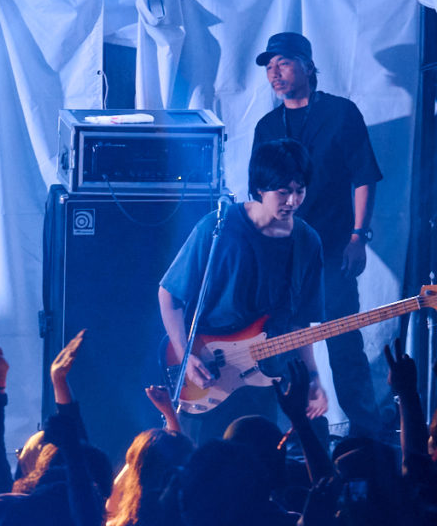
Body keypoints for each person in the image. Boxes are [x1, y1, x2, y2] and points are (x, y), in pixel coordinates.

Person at [249, 31, 388, 439]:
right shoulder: (267, 125)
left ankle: (366, 436)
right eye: (269, 66)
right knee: (285, 347)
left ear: (308, 66)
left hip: (331, 251)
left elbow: (364, 176)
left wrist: (358, 236)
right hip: (281, 258)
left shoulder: (341, 113)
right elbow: (256, 193)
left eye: (283, 63)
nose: (274, 73)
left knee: (343, 343)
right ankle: (303, 434)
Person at [158, 137, 326, 444]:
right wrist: (185, 356)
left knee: (264, 460)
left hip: (269, 377)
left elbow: (300, 324)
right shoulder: (217, 227)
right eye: (283, 191)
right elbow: (169, 295)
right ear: (260, 188)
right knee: (205, 459)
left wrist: (313, 377)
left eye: (299, 190)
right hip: (211, 371)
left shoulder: (307, 242)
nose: (292, 201)